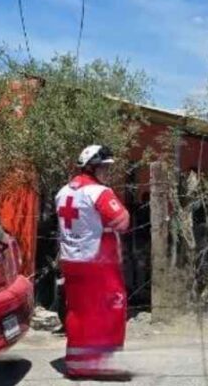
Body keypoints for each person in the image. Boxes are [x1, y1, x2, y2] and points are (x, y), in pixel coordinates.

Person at [54, 145, 131, 378]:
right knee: (113, 306)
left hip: (71, 258)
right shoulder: (99, 192)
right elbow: (122, 220)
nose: (108, 172)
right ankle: (101, 362)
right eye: (105, 167)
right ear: (92, 167)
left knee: (78, 310)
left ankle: (77, 363)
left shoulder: (62, 192)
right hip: (96, 261)